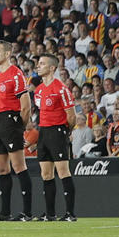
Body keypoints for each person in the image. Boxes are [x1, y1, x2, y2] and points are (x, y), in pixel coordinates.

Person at [0, 40, 34, 221]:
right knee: (2, 169)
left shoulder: (16, 74)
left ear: (8, 54)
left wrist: (19, 126)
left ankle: (27, 212)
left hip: (11, 119)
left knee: (19, 166)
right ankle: (5, 212)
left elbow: (26, 105)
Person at [31, 53, 78, 222]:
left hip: (58, 131)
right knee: (46, 173)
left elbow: (72, 116)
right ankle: (50, 213)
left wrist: (66, 131)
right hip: (43, 132)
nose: (38, 66)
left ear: (52, 68)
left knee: (63, 171)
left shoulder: (61, 88)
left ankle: (70, 213)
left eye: (42, 63)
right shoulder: (38, 90)